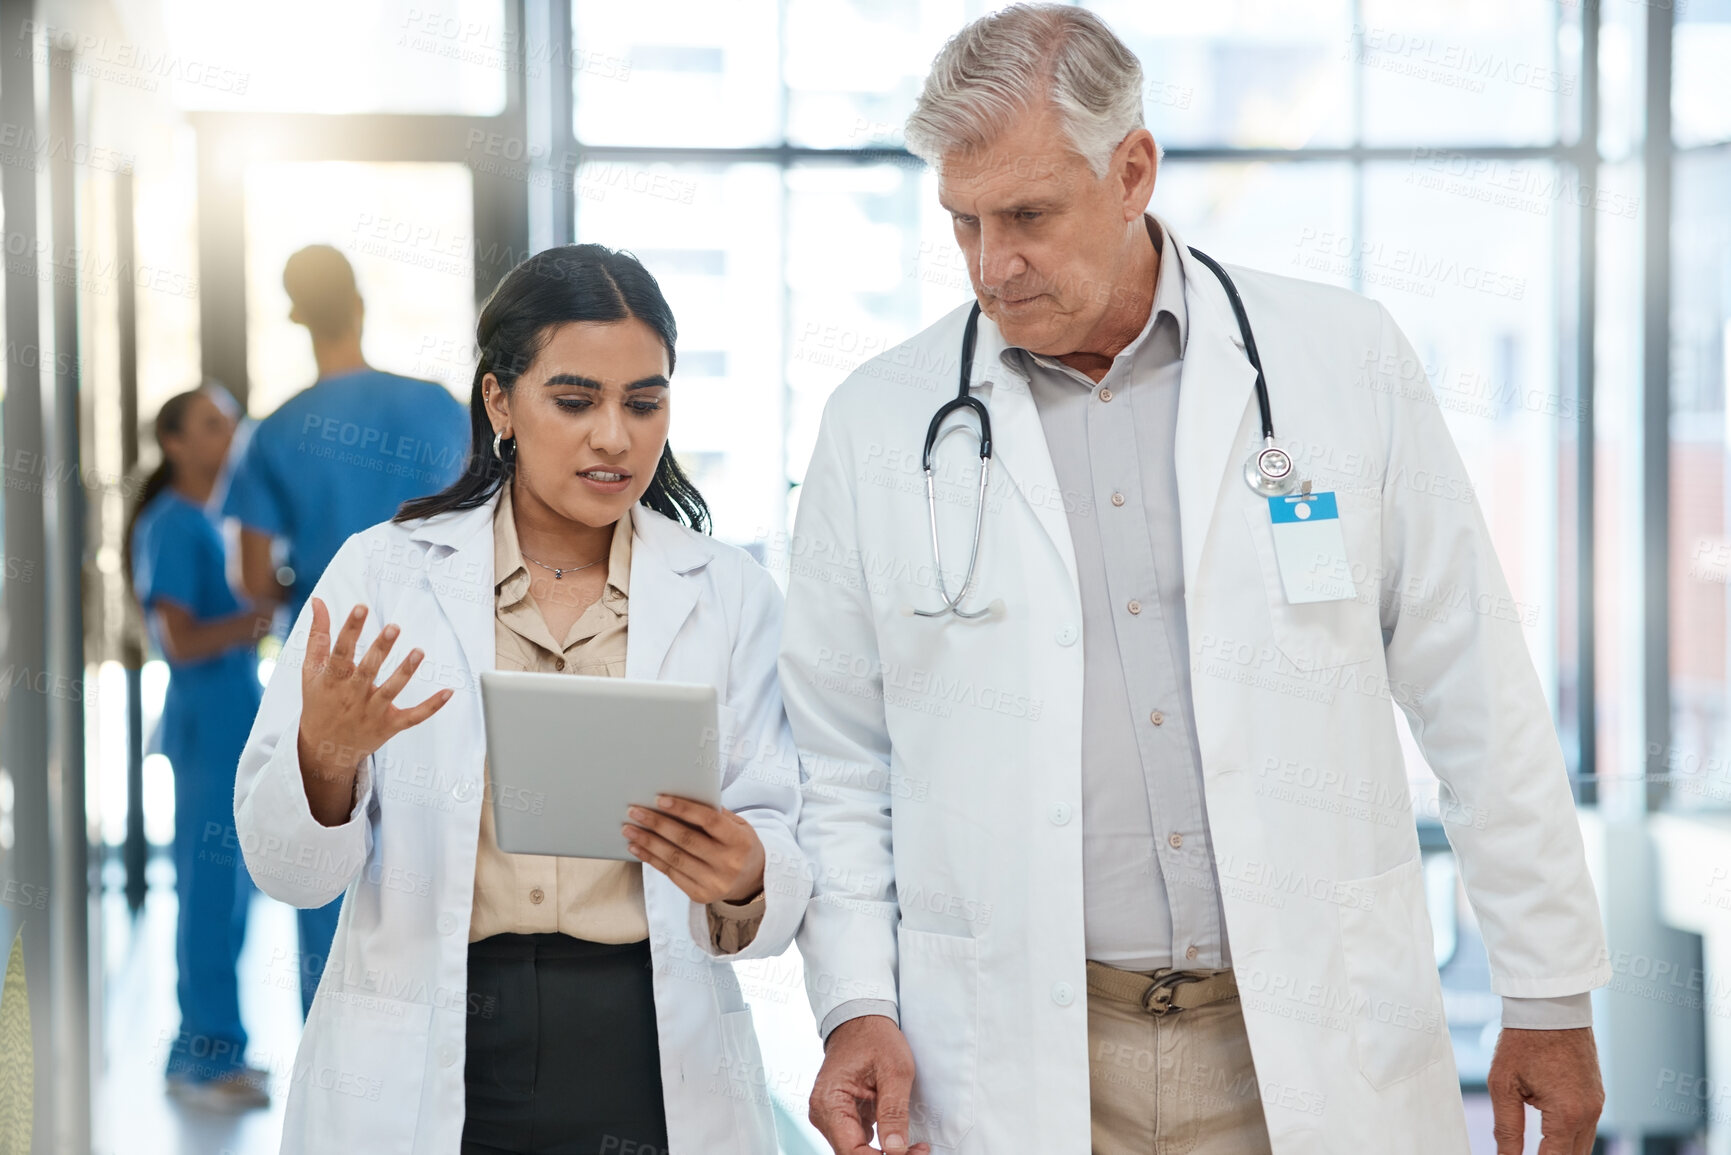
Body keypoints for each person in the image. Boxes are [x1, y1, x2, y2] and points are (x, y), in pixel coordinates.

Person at [780, 7, 1610, 1154]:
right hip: (1024, 1055)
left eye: (1027, 215)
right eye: (962, 222)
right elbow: (838, 756)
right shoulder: (877, 421)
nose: (991, 264)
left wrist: (1549, 993)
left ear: (1132, 173)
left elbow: (1475, 685)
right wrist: (856, 1004)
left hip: (1310, 1042)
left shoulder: (1340, 361)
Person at [233, 243, 809, 1154]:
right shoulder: (383, 575)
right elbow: (288, 872)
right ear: (500, 401)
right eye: (575, 401)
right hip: (439, 1040)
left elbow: (782, 841)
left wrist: (745, 874)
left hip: (651, 1048)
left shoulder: (729, 594)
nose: (614, 436)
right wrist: (327, 757)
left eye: (644, 401)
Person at [222, 243, 470, 1015]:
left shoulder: (274, 432)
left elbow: (256, 582)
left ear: (297, 318)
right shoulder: (438, 406)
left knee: (321, 864)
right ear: (359, 305)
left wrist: (315, 580)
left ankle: (343, 1081)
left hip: (331, 673)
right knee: (442, 872)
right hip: (444, 666)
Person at [127, 387, 275, 1111]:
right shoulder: (171, 526)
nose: (231, 434)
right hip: (206, 736)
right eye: (213, 424)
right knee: (209, 896)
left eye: (232, 421)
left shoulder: (218, 522)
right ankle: (201, 1058)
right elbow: (179, 640)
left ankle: (223, 1045)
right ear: (175, 442)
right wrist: (255, 620)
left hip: (235, 731)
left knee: (234, 896)